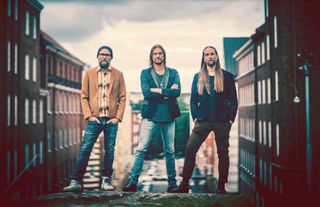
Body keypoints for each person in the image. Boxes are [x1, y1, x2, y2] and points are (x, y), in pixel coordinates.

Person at [63, 45, 126, 192]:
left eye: (107, 55)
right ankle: (76, 181)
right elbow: (84, 96)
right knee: (85, 149)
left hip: (111, 120)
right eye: (101, 54)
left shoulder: (118, 74)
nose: (104, 57)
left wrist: (117, 117)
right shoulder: (89, 74)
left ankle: (106, 180)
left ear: (111, 58)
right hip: (94, 120)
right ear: (97, 57)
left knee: (109, 151)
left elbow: (122, 97)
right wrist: (89, 116)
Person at [175, 46, 238, 194]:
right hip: (202, 121)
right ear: (203, 58)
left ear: (216, 56)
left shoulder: (227, 76)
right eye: (207, 54)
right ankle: (184, 184)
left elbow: (233, 100)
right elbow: (193, 100)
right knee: (190, 149)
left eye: (212, 54)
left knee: (223, 153)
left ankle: (221, 186)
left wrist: (230, 119)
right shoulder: (198, 77)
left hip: (222, 122)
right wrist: (195, 117)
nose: (209, 56)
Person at [122, 44, 181, 193]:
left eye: (160, 53)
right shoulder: (145, 73)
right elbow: (147, 93)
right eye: (155, 54)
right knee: (141, 149)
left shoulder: (173, 73)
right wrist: (167, 93)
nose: (158, 56)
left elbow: (177, 92)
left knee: (170, 151)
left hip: (169, 116)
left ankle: (172, 185)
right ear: (151, 56)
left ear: (164, 56)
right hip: (151, 116)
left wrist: (159, 90)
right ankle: (132, 183)